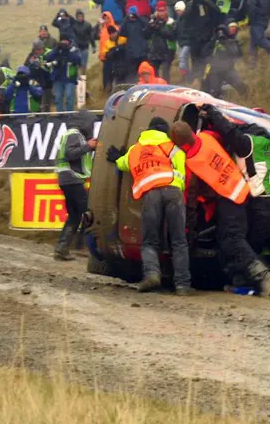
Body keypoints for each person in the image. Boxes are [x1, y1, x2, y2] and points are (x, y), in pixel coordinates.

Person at [198, 106, 270, 300]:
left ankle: (254, 279)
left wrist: (213, 114)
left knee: (235, 240)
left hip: (264, 205)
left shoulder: (249, 143)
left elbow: (229, 131)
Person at [168, 120, 270, 297]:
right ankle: (240, 280)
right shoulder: (207, 137)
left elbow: (190, 199)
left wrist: (188, 228)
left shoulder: (191, 162)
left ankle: (264, 275)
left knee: (232, 239)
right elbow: (222, 134)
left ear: (178, 144)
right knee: (226, 239)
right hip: (242, 189)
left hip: (230, 198)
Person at [107, 117, 192, 294]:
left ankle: (152, 274)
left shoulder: (135, 150)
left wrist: (117, 158)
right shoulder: (171, 147)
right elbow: (182, 167)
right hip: (173, 191)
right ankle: (183, 285)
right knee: (178, 241)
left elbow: (123, 164)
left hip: (150, 194)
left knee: (149, 241)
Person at [54, 111, 97, 261]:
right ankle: (84, 247)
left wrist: (89, 146)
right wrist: (88, 146)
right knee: (88, 213)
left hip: (66, 179)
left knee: (74, 215)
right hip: (73, 178)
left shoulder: (71, 134)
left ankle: (62, 248)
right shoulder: (74, 134)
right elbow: (70, 154)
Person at [201, 23, 247, 98]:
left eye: (235, 28)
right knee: (214, 92)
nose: (221, 34)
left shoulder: (232, 41)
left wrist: (229, 43)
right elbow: (204, 53)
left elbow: (238, 54)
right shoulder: (214, 41)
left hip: (228, 69)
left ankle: (247, 100)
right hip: (214, 70)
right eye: (231, 27)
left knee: (240, 86)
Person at [46, 39, 82, 112]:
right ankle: (60, 114)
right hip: (58, 78)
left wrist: (67, 51)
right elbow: (48, 58)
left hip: (70, 78)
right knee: (58, 98)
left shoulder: (74, 49)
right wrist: (57, 48)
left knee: (69, 96)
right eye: (62, 43)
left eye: (65, 44)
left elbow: (78, 60)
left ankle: (69, 114)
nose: (63, 45)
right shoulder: (56, 51)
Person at [145, 1, 177, 81]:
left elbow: (172, 35)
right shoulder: (152, 20)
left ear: (166, 10)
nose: (161, 13)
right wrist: (149, 27)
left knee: (165, 73)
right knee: (155, 75)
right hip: (155, 50)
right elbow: (146, 36)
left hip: (168, 49)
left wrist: (160, 28)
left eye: (163, 10)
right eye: (159, 11)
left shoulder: (171, 21)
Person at [73, 10, 96, 108]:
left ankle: (83, 82)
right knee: (77, 65)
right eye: (78, 16)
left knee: (83, 66)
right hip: (76, 48)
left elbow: (91, 36)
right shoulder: (73, 25)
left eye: (81, 16)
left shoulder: (87, 25)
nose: (80, 18)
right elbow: (71, 36)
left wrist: (94, 46)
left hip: (85, 48)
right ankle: (78, 82)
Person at [25, 39, 54, 112]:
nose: (38, 51)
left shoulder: (49, 53)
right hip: (36, 83)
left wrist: (42, 65)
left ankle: (46, 118)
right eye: (36, 50)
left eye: (40, 49)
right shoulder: (31, 56)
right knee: (37, 103)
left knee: (46, 103)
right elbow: (26, 67)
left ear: (43, 48)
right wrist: (32, 65)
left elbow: (52, 67)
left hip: (48, 82)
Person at [119, 6, 149, 78]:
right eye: (130, 14)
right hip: (131, 53)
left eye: (133, 14)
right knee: (132, 74)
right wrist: (126, 18)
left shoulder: (141, 22)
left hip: (142, 52)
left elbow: (147, 26)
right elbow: (121, 32)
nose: (132, 16)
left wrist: (137, 17)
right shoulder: (127, 23)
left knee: (143, 72)